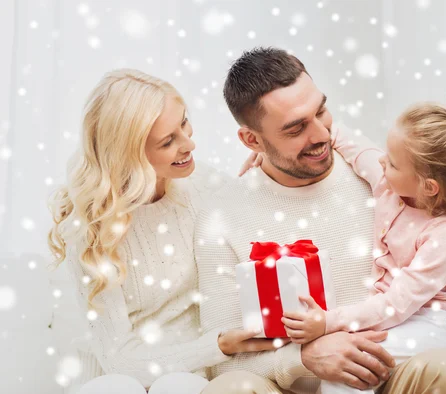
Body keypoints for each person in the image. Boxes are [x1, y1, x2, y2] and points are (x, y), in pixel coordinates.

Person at [197, 47, 446, 394]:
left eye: (321, 110)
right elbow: (221, 356)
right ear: (252, 140)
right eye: (295, 129)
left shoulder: (382, 178)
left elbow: (443, 229)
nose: (321, 135)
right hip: (288, 385)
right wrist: (304, 358)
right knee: (230, 389)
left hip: (383, 368)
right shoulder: (223, 216)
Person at [47, 69, 284, 394]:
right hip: (115, 377)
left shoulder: (201, 185)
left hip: (185, 375)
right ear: (128, 154)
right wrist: (217, 346)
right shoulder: (89, 228)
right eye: (167, 141)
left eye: (184, 123)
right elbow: (118, 360)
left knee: (177, 387)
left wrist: (272, 164)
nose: (189, 144)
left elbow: (264, 224)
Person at [277, 104, 446, 394]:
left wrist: (327, 322)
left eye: (394, 163)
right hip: (399, 319)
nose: (383, 162)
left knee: (349, 367)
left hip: (438, 325)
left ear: (429, 187)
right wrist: (270, 149)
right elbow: (352, 145)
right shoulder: (389, 185)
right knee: (348, 368)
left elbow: (397, 302)